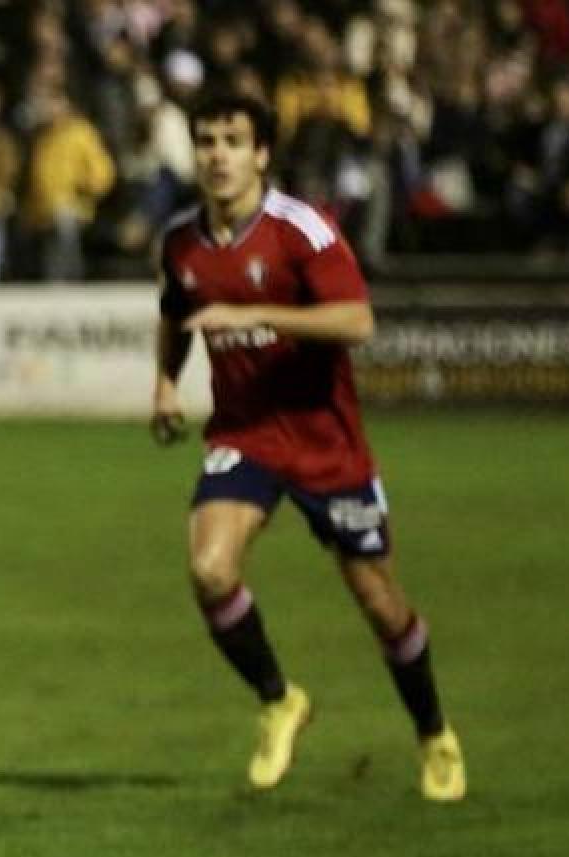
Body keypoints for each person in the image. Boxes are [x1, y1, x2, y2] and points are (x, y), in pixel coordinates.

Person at [150, 91, 466, 800]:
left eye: (233, 139)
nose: (218, 154)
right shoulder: (181, 240)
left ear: (261, 153)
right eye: (206, 140)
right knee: (209, 570)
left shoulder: (303, 230)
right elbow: (176, 311)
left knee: (380, 602)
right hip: (246, 434)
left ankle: (433, 732)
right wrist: (166, 384)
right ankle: (279, 698)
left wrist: (256, 310)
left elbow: (358, 322)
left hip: (327, 444)